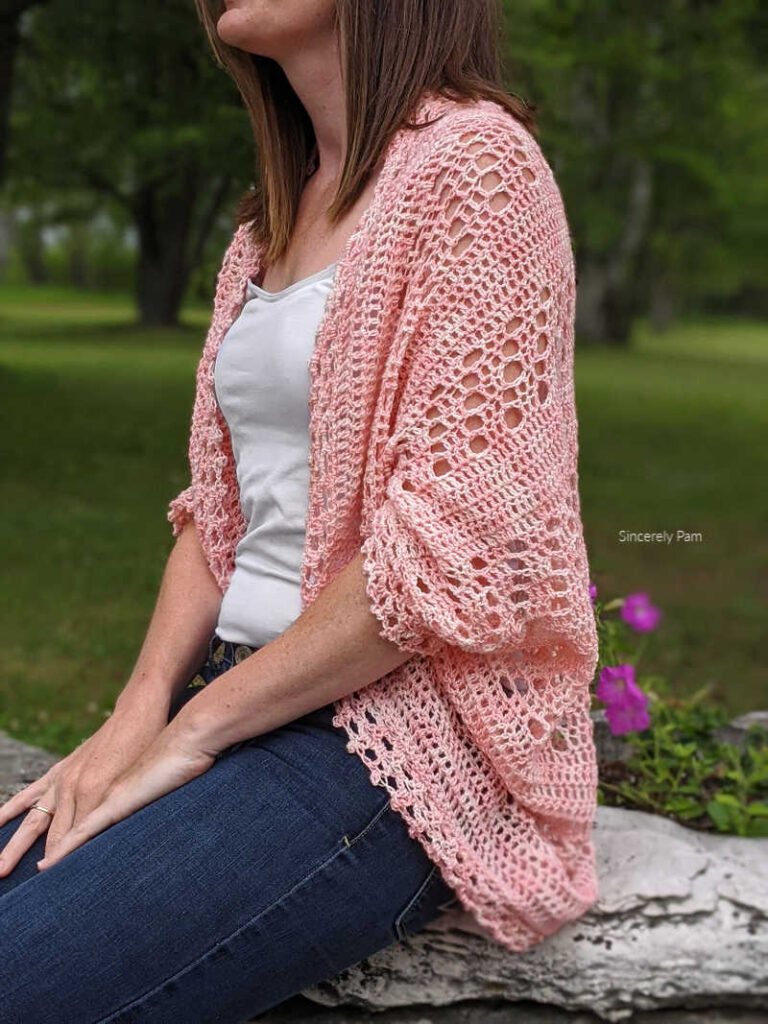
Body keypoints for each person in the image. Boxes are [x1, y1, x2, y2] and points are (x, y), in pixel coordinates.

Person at [0, 1, 601, 1021]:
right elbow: (218, 508)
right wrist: (137, 711)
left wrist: (191, 733)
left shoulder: (479, 170)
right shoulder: (268, 219)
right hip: (241, 699)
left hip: (385, 745)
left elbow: (446, 548)